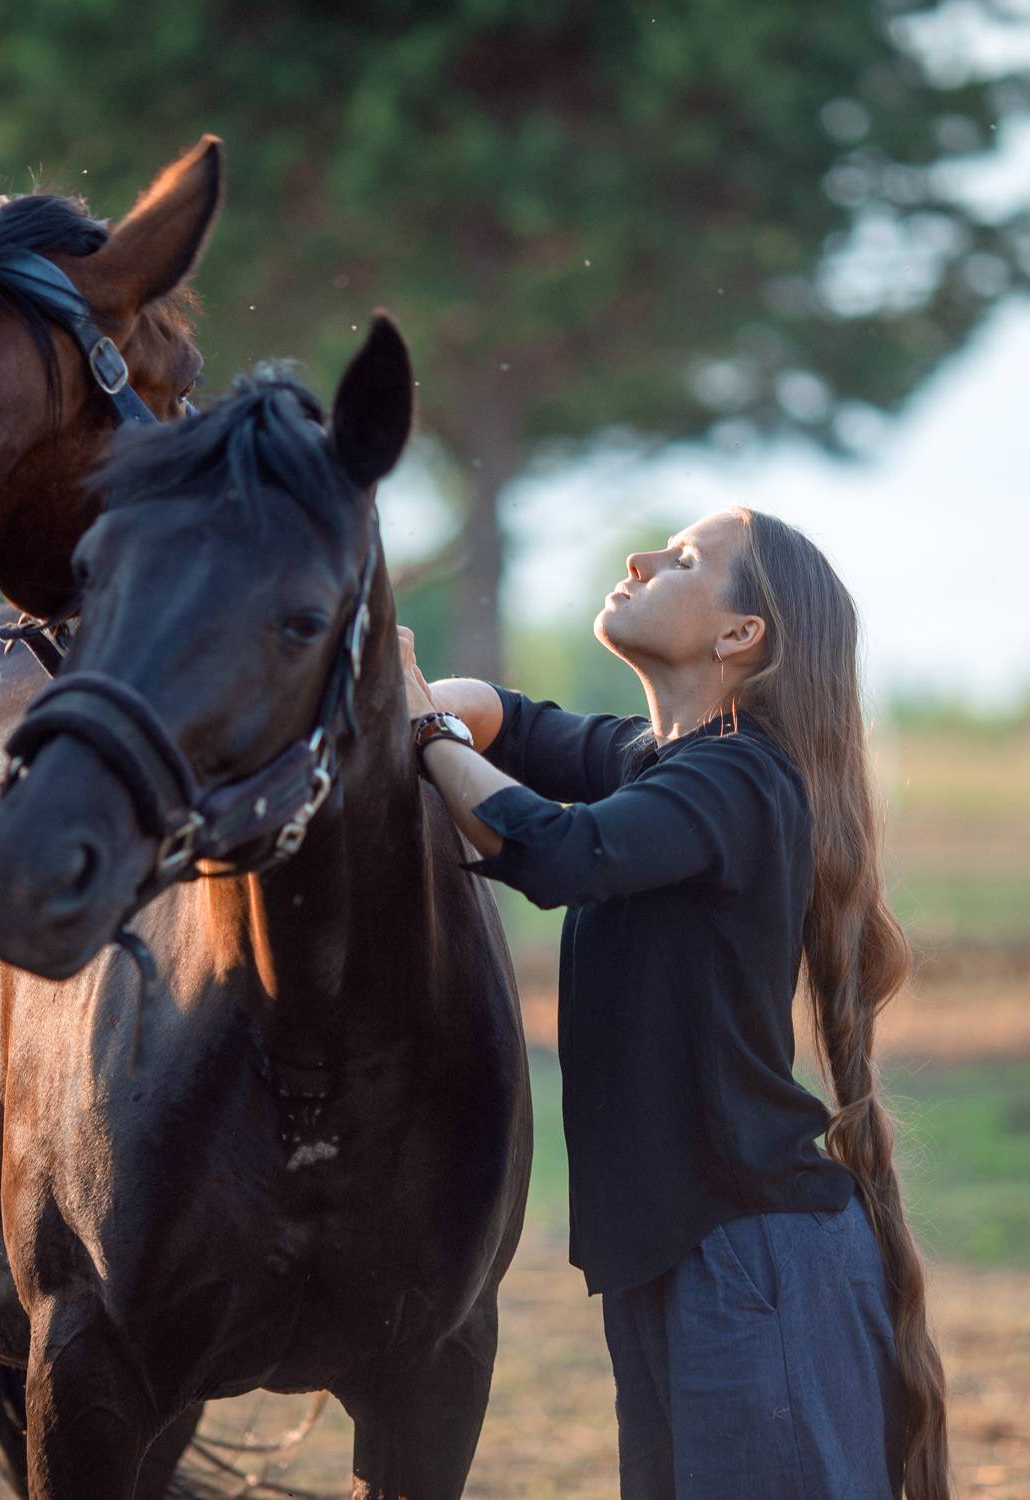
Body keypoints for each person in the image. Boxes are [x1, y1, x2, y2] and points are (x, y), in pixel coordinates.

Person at [399, 508, 949, 1500]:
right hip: (682, 1253)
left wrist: (424, 731)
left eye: (685, 560)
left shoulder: (744, 776)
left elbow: (560, 853)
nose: (639, 557)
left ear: (741, 634)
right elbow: (517, 724)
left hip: (753, 1259)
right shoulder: (664, 763)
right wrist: (426, 699)